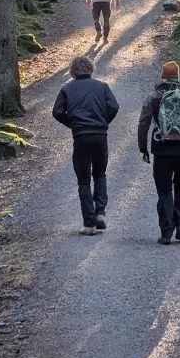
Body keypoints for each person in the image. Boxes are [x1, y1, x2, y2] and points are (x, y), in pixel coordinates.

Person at [138, 61, 180, 245]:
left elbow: (143, 123)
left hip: (161, 151)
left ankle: (166, 233)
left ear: (162, 76)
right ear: (178, 76)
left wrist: (143, 148)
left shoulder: (154, 96)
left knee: (165, 191)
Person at [53, 55, 119, 235]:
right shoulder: (102, 86)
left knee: (83, 180)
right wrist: (103, 122)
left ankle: (89, 224)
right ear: (91, 69)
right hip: (100, 136)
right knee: (100, 174)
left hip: (80, 138)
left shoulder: (66, 89)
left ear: (72, 70)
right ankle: (101, 212)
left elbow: (57, 112)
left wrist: (73, 123)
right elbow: (114, 106)